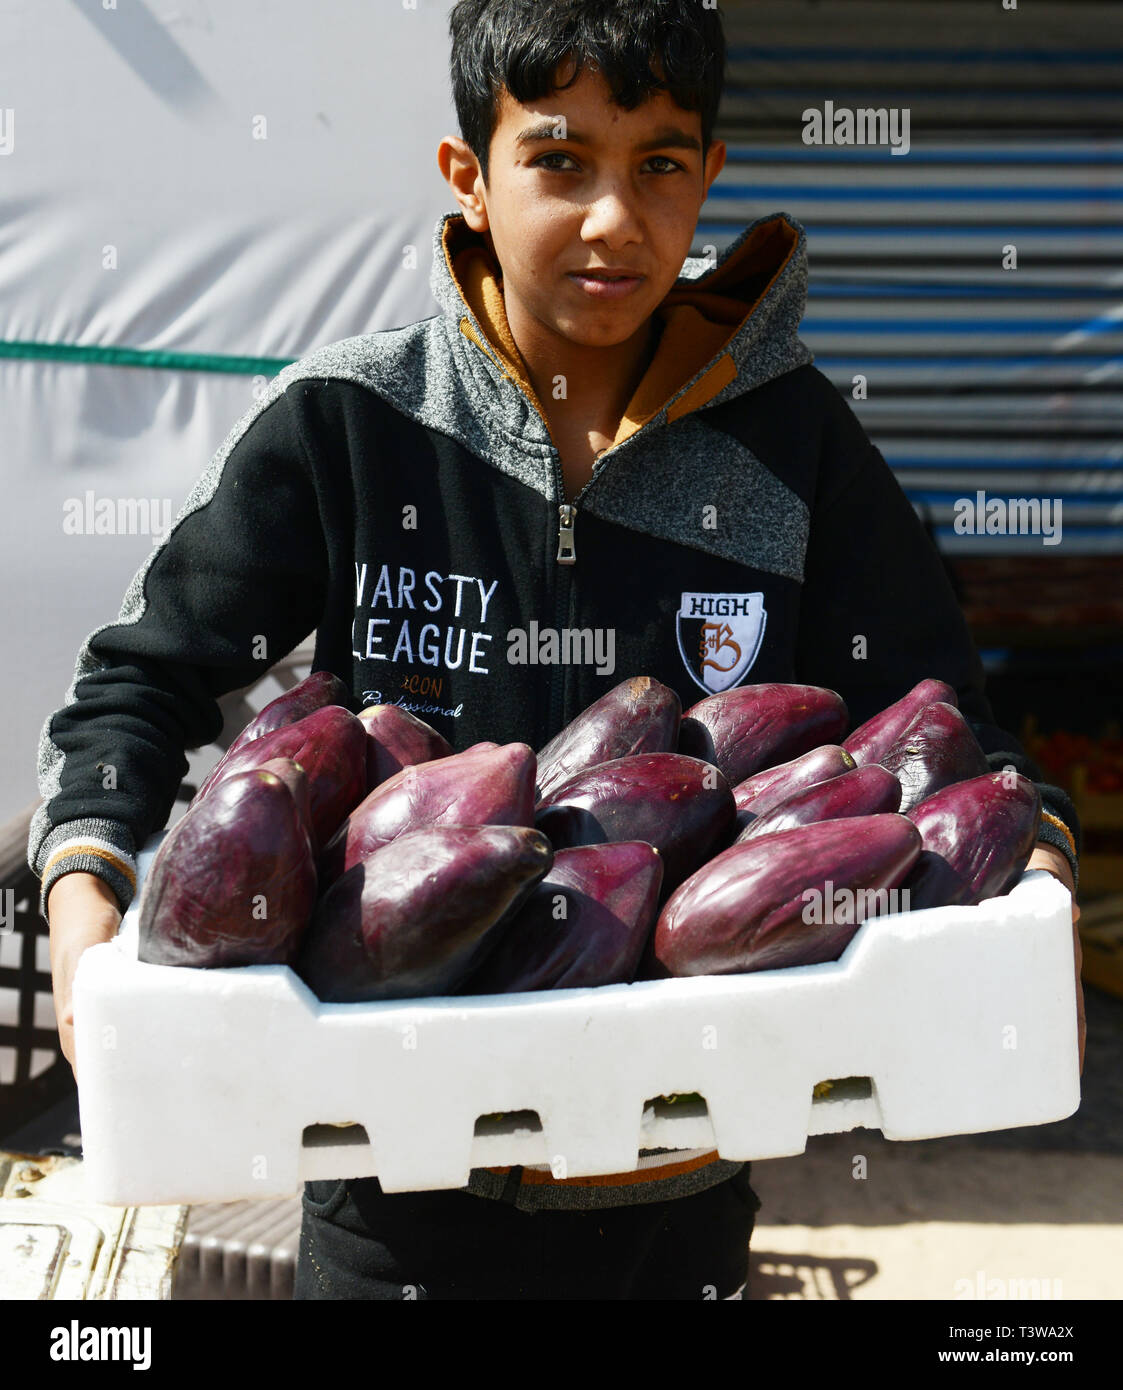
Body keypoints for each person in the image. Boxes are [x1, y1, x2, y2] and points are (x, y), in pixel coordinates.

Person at [32, 0, 1083, 1301]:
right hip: (387, 1187)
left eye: (657, 165)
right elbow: (142, 682)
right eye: (561, 159)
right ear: (470, 177)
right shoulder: (355, 423)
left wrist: (1030, 866)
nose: (611, 218)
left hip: (679, 1183)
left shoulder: (796, 446)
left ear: (707, 175)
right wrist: (84, 895)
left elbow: (944, 731)